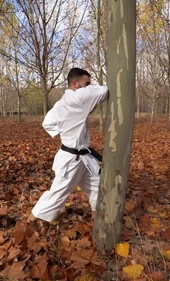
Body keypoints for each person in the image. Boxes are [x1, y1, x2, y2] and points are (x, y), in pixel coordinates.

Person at [28, 67, 108, 223]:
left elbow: (47, 122)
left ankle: (98, 222)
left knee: (97, 185)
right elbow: (104, 90)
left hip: (81, 156)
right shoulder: (77, 98)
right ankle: (29, 224)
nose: (88, 87)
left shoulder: (60, 104)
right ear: (74, 83)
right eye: (86, 83)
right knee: (57, 195)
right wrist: (68, 133)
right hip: (73, 159)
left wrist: (64, 130)